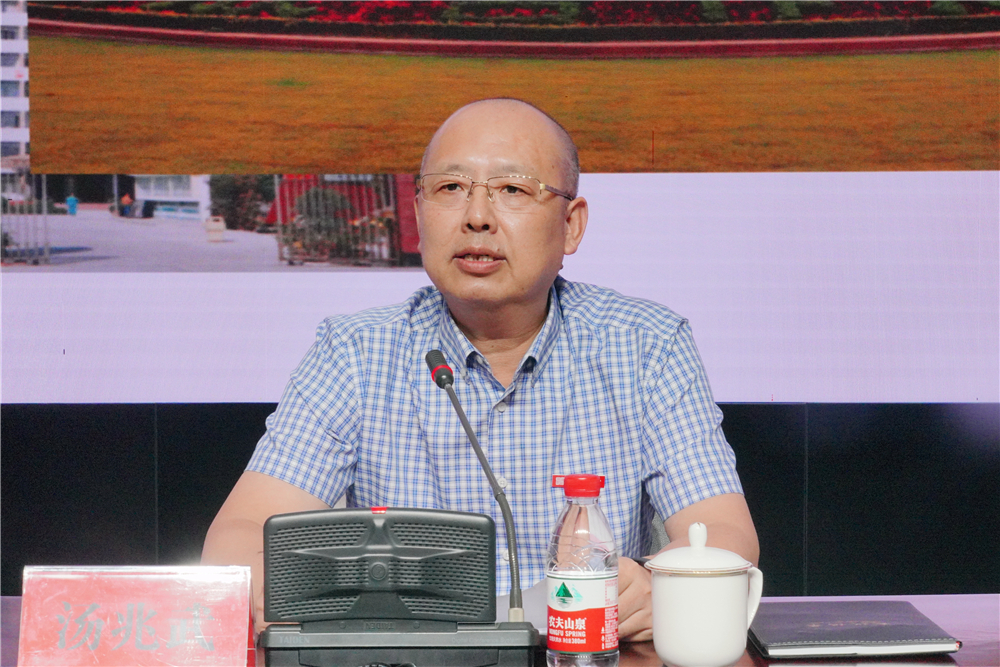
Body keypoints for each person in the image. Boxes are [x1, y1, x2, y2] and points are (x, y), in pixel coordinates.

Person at [202, 98, 758, 642]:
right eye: (450, 188)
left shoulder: (646, 345)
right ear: (419, 212)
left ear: (571, 225)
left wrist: (658, 584)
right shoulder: (355, 352)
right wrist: (283, 591)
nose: (476, 217)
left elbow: (723, 529)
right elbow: (240, 532)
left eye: (512, 189)